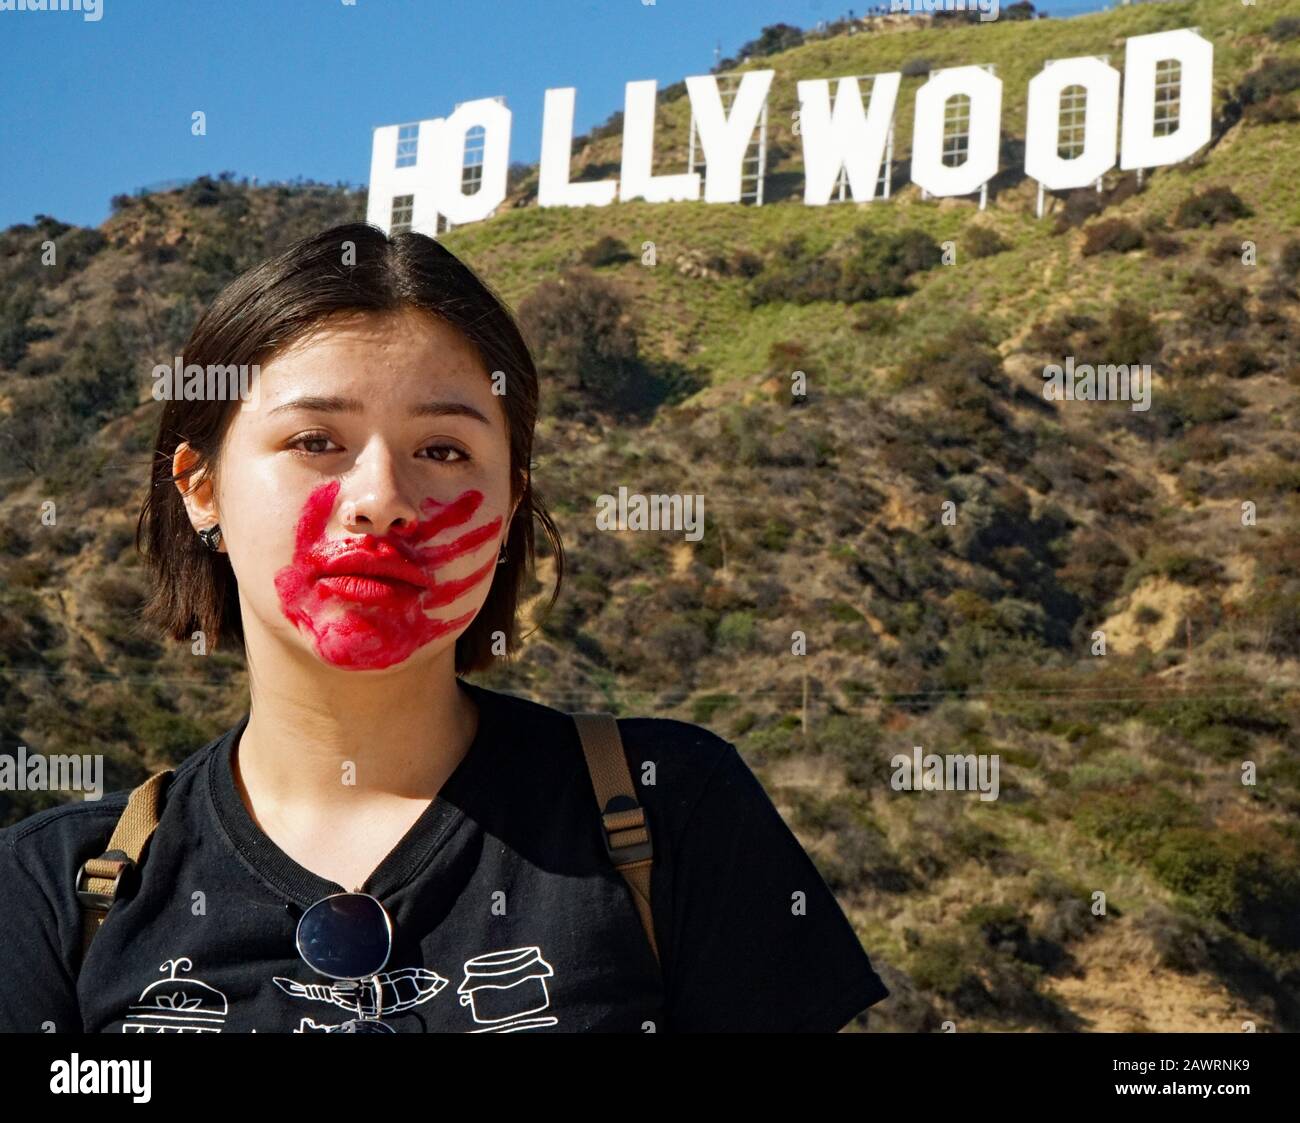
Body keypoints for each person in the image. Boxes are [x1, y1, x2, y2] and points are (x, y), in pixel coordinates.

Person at [0, 222, 889, 1033]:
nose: (380, 498)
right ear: (200, 488)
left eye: (443, 450)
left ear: (508, 509)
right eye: (315, 440)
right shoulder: (55, 891)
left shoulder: (671, 809)